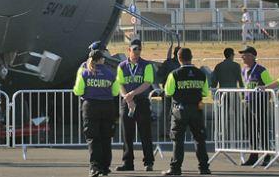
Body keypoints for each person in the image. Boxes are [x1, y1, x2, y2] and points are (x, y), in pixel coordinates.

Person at [162, 48, 211, 176]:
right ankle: (204, 167)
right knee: (199, 139)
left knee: (178, 140)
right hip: (196, 109)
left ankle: (176, 168)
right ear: (192, 57)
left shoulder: (174, 74)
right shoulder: (201, 73)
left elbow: (168, 92)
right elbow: (205, 92)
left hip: (179, 111)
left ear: (179, 58)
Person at [74, 49, 120, 177]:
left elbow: (78, 91)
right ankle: (105, 167)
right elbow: (115, 92)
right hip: (107, 107)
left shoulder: (84, 72)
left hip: (91, 107)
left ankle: (95, 167)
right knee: (106, 137)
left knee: (93, 138)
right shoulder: (110, 73)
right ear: (102, 59)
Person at [115, 39, 155, 172]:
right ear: (129, 50)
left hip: (141, 101)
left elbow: (147, 82)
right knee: (127, 134)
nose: (137, 52)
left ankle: (148, 162)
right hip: (127, 102)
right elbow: (120, 84)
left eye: (139, 49)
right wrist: (128, 98)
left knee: (145, 133)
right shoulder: (121, 66)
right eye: (134, 49)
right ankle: (128, 163)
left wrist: (133, 93)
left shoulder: (146, 65)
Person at [240, 46, 274, 166]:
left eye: (245, 55)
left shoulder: (261, 70)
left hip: (260, 103)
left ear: (252, 56)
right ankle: (253, 155)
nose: (242, 57)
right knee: (250, 130)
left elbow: (270, 84)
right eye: (242, 55)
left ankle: (267, 154)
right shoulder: (243, 70)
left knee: (262, 128)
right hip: (248, 103)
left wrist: (267, 98)